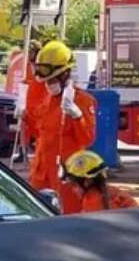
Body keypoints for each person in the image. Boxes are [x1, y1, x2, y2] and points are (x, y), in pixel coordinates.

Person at [31, 40, 97, 214]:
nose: (48, 83)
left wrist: (77, 116)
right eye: (46, 80)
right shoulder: (47, 98)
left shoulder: (82, 100)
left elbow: (88, 138)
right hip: (42, 172)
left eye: (52, 79)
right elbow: (39, 130)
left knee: (67, 218)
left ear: (64, 74)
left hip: (67, 175)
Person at [61, 149, 139, 213]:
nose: (73, 191)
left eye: (74, 185)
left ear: (87, 182)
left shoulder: (92, 201)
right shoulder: (112, 192)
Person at [19, 40, 46, 168]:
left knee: (39, 129)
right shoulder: (28, 65)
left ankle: (36, 152)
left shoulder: (41, 65)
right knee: (23, 125)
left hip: (39, 102)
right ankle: (23, 151)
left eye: (30, 51)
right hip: (29, 99)